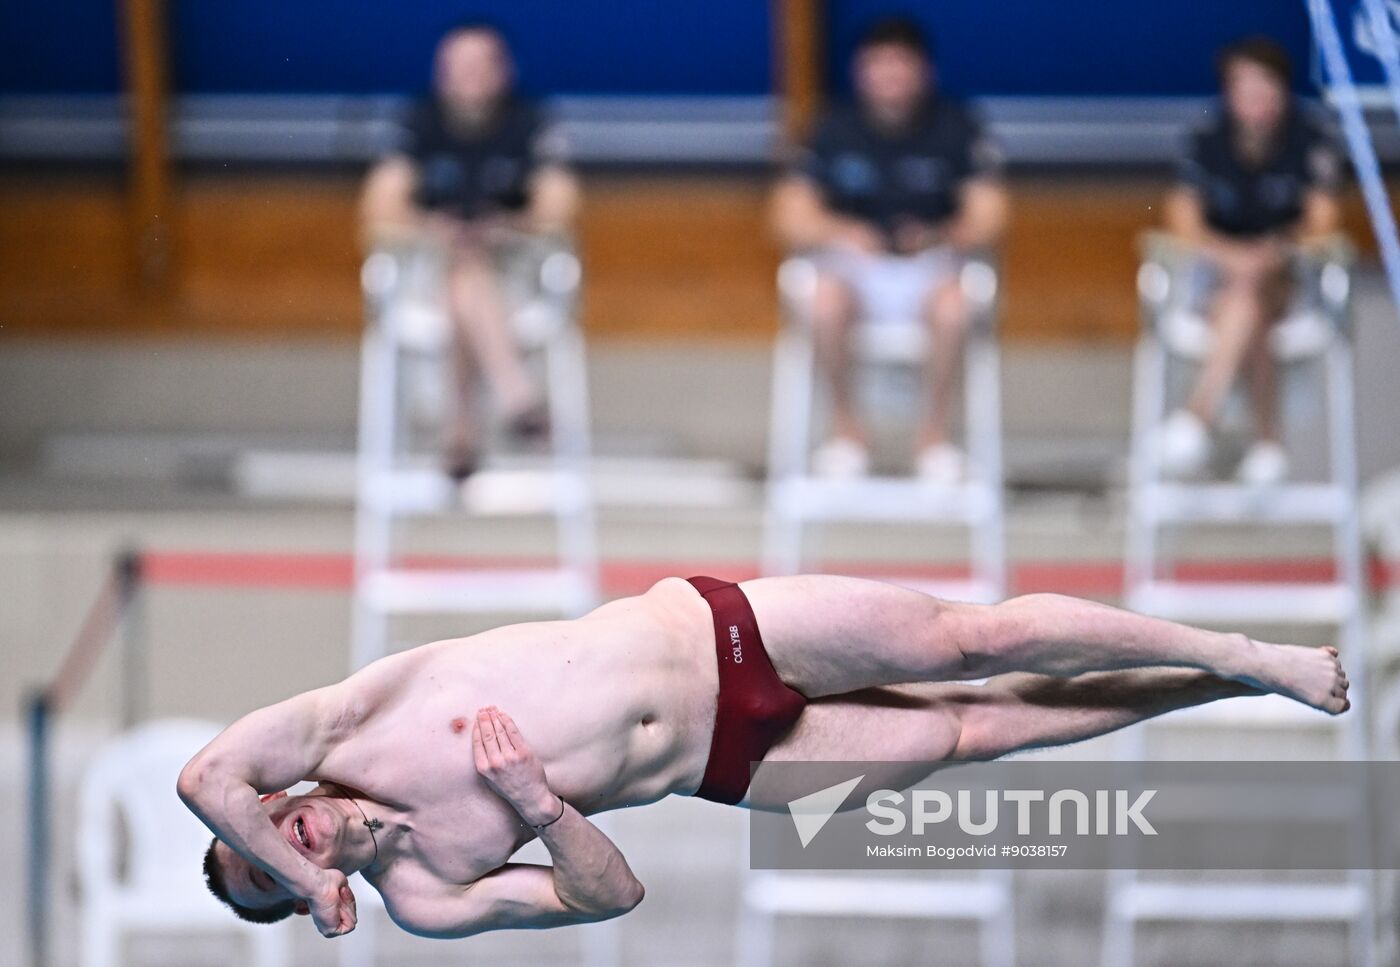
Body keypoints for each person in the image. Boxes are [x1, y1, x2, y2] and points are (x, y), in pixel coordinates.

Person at [180, 574, 1349, 939]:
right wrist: (537, 804)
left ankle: (1235, 647)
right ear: (313, 903)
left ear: (271, 805)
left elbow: (202, 782)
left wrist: (305, 875)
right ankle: (1225, 683)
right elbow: (609, 896)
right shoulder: (428, 892)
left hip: (714, 631)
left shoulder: (338, 726)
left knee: (973, 642)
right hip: (726, 763)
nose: (281, 846)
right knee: (975, 729)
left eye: (264, 840)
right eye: (269, 875)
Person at [770, 17, 1010, 483]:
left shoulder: (956, 126)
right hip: (855, 268)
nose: (890, 76)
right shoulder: (832, 126)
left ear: (924, 71)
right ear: (860, 71)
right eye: (879, 64)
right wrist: (845, 232)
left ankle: (933, 438)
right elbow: (786, 216)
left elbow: (992, 217)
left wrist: (939, 235)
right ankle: (848, 433)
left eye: (901, 64)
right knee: (821, 301)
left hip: (930, 266)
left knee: (956, 306)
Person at [359, 23, 581, 481]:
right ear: (441, 72)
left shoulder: (528, 120)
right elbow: (380, 206)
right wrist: (434, 228)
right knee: (462, 272)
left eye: (480, 64)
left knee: (467, 277)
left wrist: (503, 227)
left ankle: (460, 430)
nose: (469, 75)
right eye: (458, 65)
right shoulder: (419, 121)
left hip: (511, 270)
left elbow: (560, 205)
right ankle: (517, 398)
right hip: (430, 268)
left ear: (505, 70)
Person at [1158, 37, 1344, 485]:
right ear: (1229, 92)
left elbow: (1323, 220)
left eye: (1265, 86)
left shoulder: (1310, 137)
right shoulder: (1208, 137)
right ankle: (1267, 441)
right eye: (1245, 88)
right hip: (1219, 280)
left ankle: (1198, 415)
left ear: (1282, 89)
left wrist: (1273, 250)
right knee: (1246, 302)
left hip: (1287, 277)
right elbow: (1180, 215)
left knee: (1251, 290)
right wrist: (1230, 255)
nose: (1256, 98)